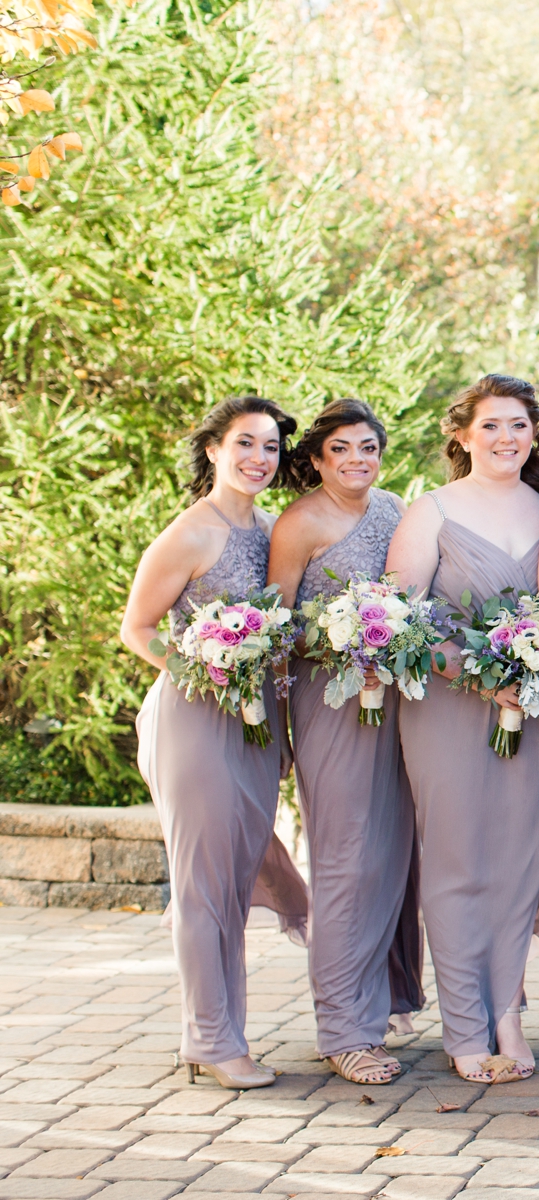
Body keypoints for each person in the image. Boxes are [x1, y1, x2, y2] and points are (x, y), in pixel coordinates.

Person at [386, 374, 539, 1085]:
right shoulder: (430, 512)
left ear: (535, 435)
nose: (506, 439)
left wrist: (535, 663)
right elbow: (397, 621)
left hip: (531, 706)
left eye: (519, 425)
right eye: (491, 426)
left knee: (519, 866)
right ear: (462, 436)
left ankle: (508, 1015)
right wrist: (475, 672)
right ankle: (465, 1026)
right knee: (460, 864)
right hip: (447, 710)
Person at [121, 396, 299, 1089]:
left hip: (254, 722)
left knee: (234, 878)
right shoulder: (191, 534)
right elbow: (138, 629)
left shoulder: (267, 528)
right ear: (214, 450)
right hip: (194, 719)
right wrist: (211, 669)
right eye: (245, 444)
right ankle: (211, 1039)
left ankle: (224, 1030)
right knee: (203, 886)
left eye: (271, 448)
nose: (259, 459)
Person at [268, 399, 423, 1086]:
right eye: (342, 450)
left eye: (368, 448)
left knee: (391, 852)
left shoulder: (392, 509)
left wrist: (386, 630)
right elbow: (277, 626)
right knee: (346, 859)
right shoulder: (300, 523)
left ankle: (378, 1004)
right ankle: (342, 1030)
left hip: (393, 700)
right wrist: (342, 630)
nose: (357, 461)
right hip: (330, 702)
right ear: (317, 458)